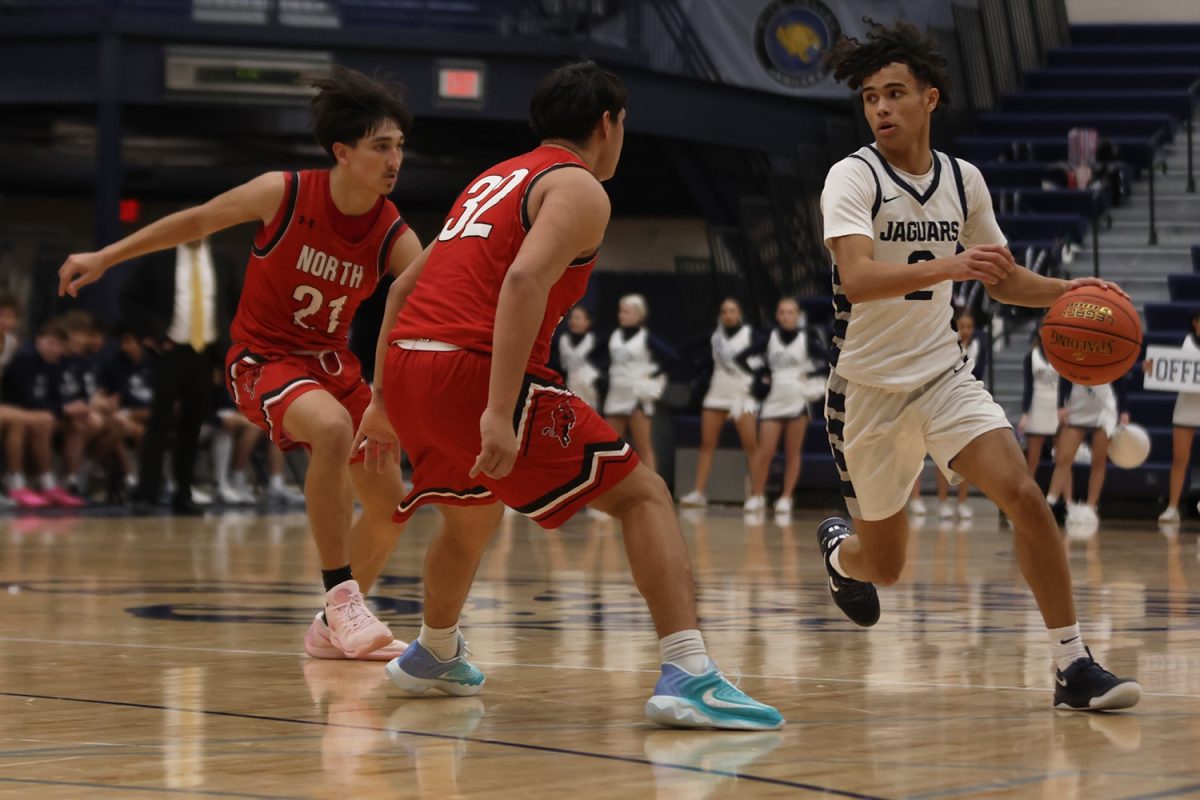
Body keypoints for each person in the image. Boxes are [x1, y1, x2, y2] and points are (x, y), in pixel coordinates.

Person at [356, 60, 782, 729]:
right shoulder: (579, 187)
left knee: (469, 516)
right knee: (644, 495)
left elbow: (405, 288)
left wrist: (381, 400)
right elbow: (524, 280)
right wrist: (499, 411)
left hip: (410, 367)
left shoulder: (492, 179)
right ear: (607, 124)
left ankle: (433, 653)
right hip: (475, 369)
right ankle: (689, 672)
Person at [816, 20, 1139, 710]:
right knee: (888, 567)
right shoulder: (853, 176)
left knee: (1024, 496)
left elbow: (1002, 278)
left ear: (930, 99)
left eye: (895, 93)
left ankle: (1072, 664)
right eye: (871, 96)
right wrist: (953, 263)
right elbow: (858, 277)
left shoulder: (964, 180)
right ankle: (842, 557)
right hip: (868, 393)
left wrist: (1076, 294)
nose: (881, 108)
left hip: (942, 376)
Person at [57, 65, 420, 661]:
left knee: (391, 504)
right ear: (343, 152)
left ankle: (331, 631)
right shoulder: (285, 191)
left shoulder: (388, 228)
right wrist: (107, 254)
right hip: (264, 359)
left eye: (400, 147)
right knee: (330, 431)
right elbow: (197, 220)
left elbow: (435, 289)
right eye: (381, 146)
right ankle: (342, 598)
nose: (394, 160)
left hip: (334, 368)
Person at [111, 236, 237, 513]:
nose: (196, 233)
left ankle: (184, 492)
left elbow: (236, 302)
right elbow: (129, 297)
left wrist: (225, 351)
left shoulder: (223, 259)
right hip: (168, 350)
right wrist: (150, 333)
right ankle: (147, 492)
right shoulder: (159, 257)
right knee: (159, 422)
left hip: (206, 351)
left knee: (193, 425)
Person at [745, 298, 828, 518]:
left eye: (790, 312)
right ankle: (757, 494)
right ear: (777, 315)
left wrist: (810, 376)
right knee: (766, 451)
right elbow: (742, 357)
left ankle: (786, 497)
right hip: (773, 398)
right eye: (782, 312)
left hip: (797, 399)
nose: (786, 316)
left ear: (798, 315)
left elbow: (830, 360)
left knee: (793, 452)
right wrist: (761, 374)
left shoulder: (806, 340)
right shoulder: (769, 338)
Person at [680, 298, 761, 508]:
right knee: (706, 445)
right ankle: (699, 492)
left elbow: (764, 357)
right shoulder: (715, 336)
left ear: (739, 314)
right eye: (724, 311)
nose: (728, 314)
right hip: (716, 394)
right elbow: (686, 349)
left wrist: (758, 379)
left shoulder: (750, 335)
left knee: (751, 446)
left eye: (732, 310)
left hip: (742, 396)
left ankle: (757, 494)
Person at [1, 320, 85, 508]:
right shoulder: (25, 359)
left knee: (75, 424)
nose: (54, 349)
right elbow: (24, 399)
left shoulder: (56, 364)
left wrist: (70, 408)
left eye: (58, 345)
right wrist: (61, 409)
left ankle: (60, 482)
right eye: (50, 343)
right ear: (38, 340)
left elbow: (57, 397)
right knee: (33, 422)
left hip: (31, 412)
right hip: (17, 409)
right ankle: (15, 482)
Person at [602, 294, 675, 474]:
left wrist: (652, 374)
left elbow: (673, 358)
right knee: (608, 445)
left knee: (643, 446)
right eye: (620, 311)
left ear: (639, 315)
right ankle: (607, 495)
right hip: (616, 394)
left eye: (626, 312)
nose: (621, 315)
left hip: (636, 396)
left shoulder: (645, 337)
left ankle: (654, 494)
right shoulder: (615, 336)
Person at [1045, 381, 1129, 527]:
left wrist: (1124, 410)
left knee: (1099, 462)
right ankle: (1049, 503)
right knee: (1063, 459)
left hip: (1104, 408)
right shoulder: (1075, 357)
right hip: (1077, 404)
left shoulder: (1109, 358)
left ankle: (1091, 507)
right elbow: (1064, 376)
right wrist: (1060, 405)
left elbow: (1120, 380)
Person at [1148, 311, 1200, 524]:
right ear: (1195, 323)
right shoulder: (1185, 342)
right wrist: (1151, 368)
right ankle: (1172, 507)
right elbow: (1166, 367)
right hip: (1186, 406)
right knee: (1180, 458)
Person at [933, 309, 985, 520]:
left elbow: (979, 372)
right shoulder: (947, 346)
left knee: (967, 456)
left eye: (969, 327)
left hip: (969, 402)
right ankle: (943, 502)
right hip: (945, 402)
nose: (966, 331)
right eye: (962, 326)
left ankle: (962, 502)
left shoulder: (979, 346)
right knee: (943, 457)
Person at [1018, 325, 1068, 483]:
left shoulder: (1062, 356)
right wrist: (1025, 413)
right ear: (1040, 331)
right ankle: (1025, 499)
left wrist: (1062, 407)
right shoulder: (1030, 357)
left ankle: (1068, 502)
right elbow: (1028, 387)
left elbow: (1065, 385)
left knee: (1063, 460)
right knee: (1033, 460)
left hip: (1056, 407)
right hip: (1037, 406)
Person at [552, 305, 601, 408]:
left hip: (588, 389)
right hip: (568, 388)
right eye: (572, 318)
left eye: (578, 318)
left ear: (587, 322)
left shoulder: (595, 342)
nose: (573, 321)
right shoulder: (561, 341)